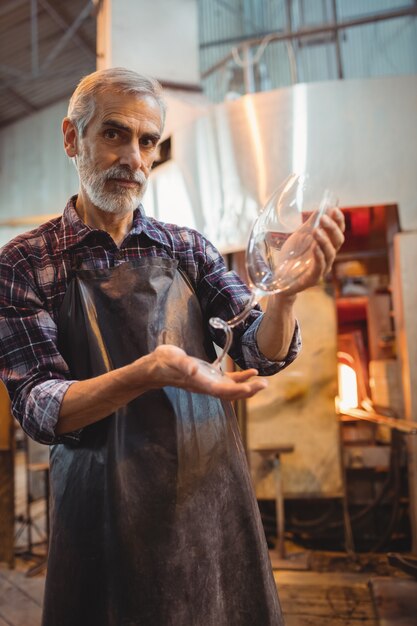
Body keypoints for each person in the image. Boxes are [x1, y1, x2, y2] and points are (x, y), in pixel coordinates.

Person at [0, 68, 345, 626]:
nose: (135, 158)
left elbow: (262, 349)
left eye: (148, 141)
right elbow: (41, 406)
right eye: (115, 134)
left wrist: (283, 294)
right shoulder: (24, 264)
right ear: (72, 138)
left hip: (205, 497)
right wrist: (149, 371)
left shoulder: (187, 249)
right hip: (101, 510)